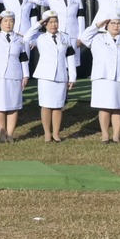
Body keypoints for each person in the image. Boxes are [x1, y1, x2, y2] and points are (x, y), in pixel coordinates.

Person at [30, 12, 81, 143]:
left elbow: (70, 58)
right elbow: (26, 37)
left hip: (61, 75)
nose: (54, 25)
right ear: (45, 24)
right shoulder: (39, 37)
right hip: (45, 76)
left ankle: (56, 133)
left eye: (55, 22)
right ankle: (47, 133)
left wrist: (72, 77)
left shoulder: (65, 37)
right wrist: (39, 22)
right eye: (50, 22)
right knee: (46, 105)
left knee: (58, 106)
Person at [0, 11, 31, 142]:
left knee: (13, 104)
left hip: (14, 73)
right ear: (0, 22)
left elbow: (24, 58)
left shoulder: (20, 39)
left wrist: (26, 75)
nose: (8, 24)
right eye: (5, 21)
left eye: (11, 21)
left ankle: (10, 134)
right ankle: (2, 133)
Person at [84, 15, 120, 144]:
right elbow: (84, 37)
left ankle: (116, 135)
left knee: (118, 107)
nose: (116, 26)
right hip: (103, 77)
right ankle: (105, 135)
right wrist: (97, 25)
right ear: (107, 25)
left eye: (118, 23)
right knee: (105, 107)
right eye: (112, 23)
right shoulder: (97, 38)